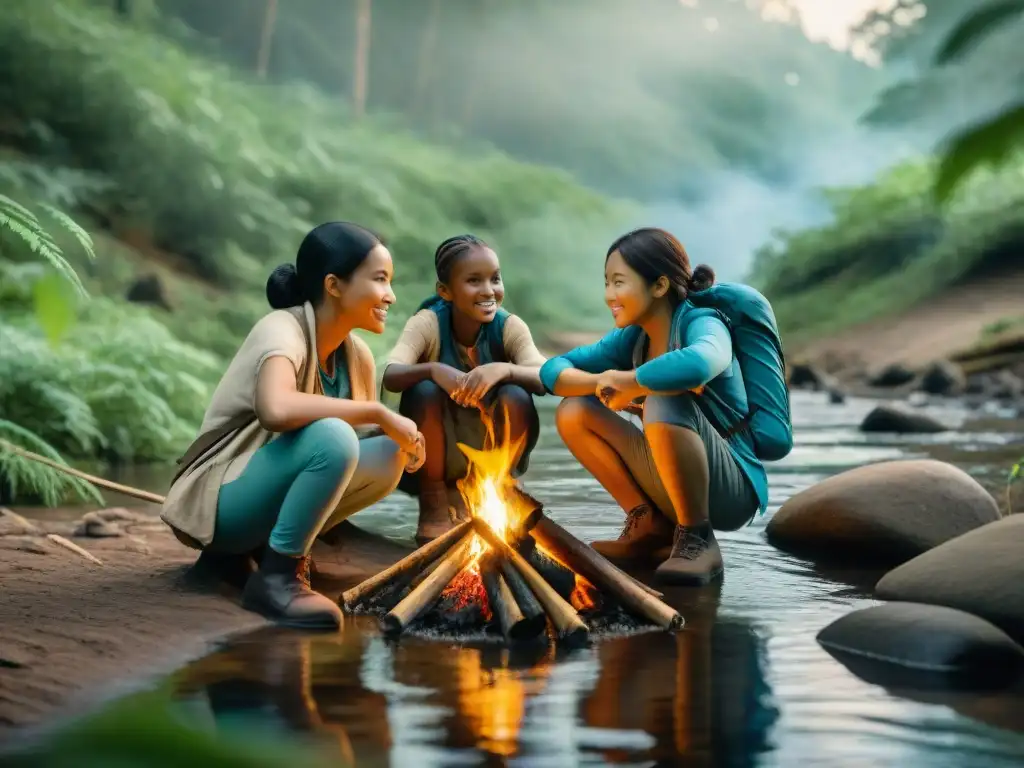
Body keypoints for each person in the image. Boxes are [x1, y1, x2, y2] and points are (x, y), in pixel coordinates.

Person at [161, 222, 425, 630]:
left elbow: (342, 455)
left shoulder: (356, 357)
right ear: (334, 285)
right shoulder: (281, 329)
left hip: (263, 493)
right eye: (380, 280)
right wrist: (378, 414)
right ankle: (277, 578)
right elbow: (276, 410)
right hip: (221, 499)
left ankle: (273, 550)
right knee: (333, 435)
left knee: (390, 450)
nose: (390, 295)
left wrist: (400, 436)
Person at [539, 228, 777, 586]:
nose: (609, 296)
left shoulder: (703, 323)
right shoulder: (633, 337)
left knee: (665, 397)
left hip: (730, 486)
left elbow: (699, 364)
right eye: (606, 283)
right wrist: (602, 382)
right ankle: (649, 526)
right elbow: (554, 371)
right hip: (673, 475)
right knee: (575, 410)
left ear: (660, 286)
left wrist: (632, 382)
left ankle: (698, 539)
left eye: (619, 282)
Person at [381, 234, 547, 544]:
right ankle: (434, 505)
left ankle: (499, 488)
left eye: (494, 279)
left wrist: (505, 369)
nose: (488, 291)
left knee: (516, 393)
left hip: (490, 452)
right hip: (436, 457)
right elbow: (391, 375)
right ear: (445, 291)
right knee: (423, 391)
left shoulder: (508, 326)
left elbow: (544, 377)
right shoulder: (428, 323)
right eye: (474, 281)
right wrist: (432, 368)